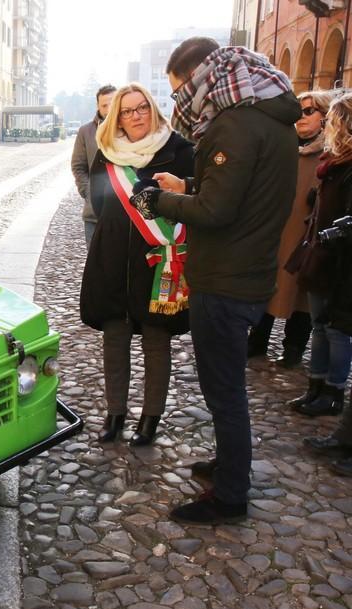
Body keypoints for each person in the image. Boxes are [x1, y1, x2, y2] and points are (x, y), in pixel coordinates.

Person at [130, 39, 301, 525]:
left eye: (178, 90)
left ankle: (230, 495)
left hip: (225, 279)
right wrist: (187, 186)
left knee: (224, 391)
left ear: (199, 78)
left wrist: (158, 202)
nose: (179, 103)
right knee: (226, 387)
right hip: (248, 270)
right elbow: (240, 195)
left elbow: (216, 210)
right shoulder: (270, 117)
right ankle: (229, 465)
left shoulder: (233, 124)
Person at [79, 83, 193, 448]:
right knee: (115, 339)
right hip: (113, 257)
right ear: (118, 117)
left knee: (156, 341)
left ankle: (150, 418)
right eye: (127, 111)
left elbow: (195, 197)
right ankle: (115, 414)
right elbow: (99, 202)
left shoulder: (178, 149)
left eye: (142, 107)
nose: (136, 116)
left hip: (158, 261)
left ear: (153, 109)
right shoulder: (107, 153)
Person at [247, 90, 334, 367]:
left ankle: (293, 348)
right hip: (274, 229)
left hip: (306, 233)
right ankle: (256, 342)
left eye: (309, 111)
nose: (301, 117)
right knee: (266, 285)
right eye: (299, 111)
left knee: (300, 294)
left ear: (325, 116)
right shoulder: (282, 145)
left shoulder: (330, 154)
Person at [288, 93, 352, 418]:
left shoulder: (348, 168)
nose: (328, 127)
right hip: (319, 255)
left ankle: (333, 391)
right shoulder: (332, 164)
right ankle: (315, 386)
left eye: (333, 121)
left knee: (337, 329)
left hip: (341, 262)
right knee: (319, 326)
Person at [72, 85, 117, 246]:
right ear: (98, 106)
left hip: (125, 213)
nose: (109, 109)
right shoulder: (86, 131)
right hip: (94, 214)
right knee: (93, 258)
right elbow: (78, 166)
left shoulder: (129, 128)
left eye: (112, 104)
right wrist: (88, 192)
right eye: (104, 105)